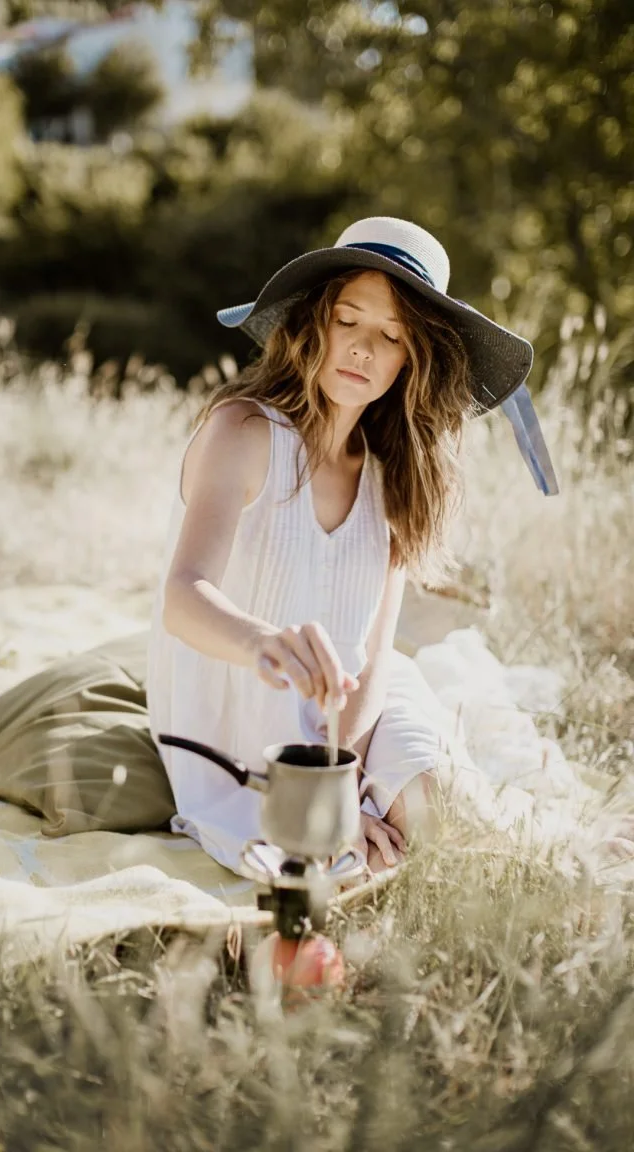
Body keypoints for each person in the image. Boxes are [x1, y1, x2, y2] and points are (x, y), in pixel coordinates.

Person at [146, 215, 557, 876]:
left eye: (392, 335)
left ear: (412, 359)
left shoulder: (395, 479)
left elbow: (372, 660)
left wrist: (352, 783)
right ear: (313, 323)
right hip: (239, 721)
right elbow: (182, 596)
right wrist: (261, 641)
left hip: (357, 722)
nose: (365, 349)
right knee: (326, 855)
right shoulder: (243, 432)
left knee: (456, 832)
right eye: (349, 321)